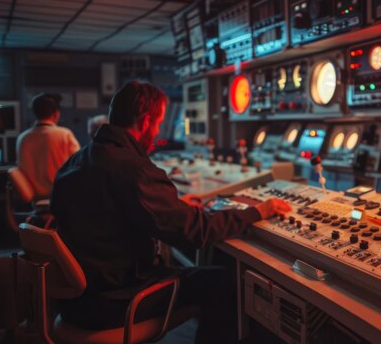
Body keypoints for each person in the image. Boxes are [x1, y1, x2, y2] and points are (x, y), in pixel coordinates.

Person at [51, 81, 289, 343]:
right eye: (158, 123)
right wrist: (258, 211)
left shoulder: (77, 160)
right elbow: (198, 231)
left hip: (78, 300)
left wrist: (171, 203)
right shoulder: (134, 170)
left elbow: (110, 211)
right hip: (119, 301)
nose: (157, 131)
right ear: (145, 121)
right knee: (222, 283)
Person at [16, 93, 80, 200]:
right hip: (62, 196)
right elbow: (79, 163)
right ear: (56, 113)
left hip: (35, 198)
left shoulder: (23, 138)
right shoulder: (64, 134)